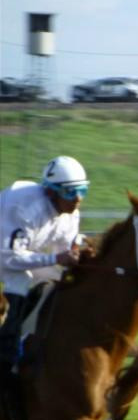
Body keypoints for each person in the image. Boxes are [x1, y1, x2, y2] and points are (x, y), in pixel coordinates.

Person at [0, 156, 89, 377]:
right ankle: (6, 353)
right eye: (70, 192)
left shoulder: (70, 214)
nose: (77, 199)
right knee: (21, 279)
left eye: (83, 190)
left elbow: (64, 253)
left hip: (14, 252)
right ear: (51, 191)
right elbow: (9, 259)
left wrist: (76, 253)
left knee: (56, 278)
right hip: (5, 253)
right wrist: (56, 259)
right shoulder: (25, 209)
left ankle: (36, 337)